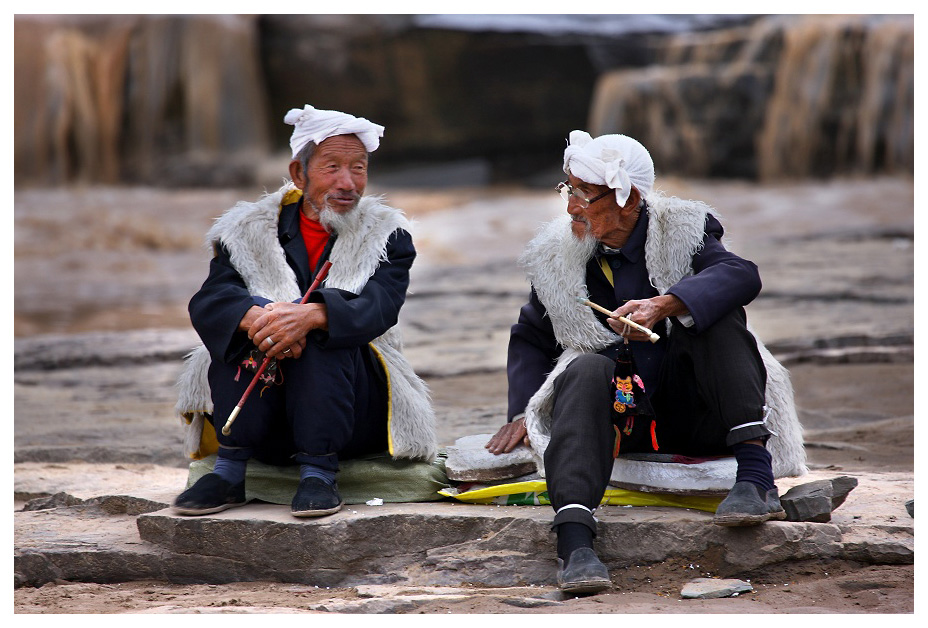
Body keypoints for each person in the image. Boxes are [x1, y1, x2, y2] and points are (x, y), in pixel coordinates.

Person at [487, 130, 805, 594]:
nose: (571, 206)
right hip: (623, 422)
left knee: (714, 317)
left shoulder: (684, 229)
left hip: (698, 413)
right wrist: (520, 410)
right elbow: (531, 336)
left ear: (628, 197)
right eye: (567, 189)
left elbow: (740, 274)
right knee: (585, 367)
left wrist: (668, 303)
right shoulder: (558, 255)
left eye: (583, 194)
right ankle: (575, 545)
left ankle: (755, 481)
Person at [172, 104, 437, 518]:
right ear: (299, 174)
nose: (348, 182)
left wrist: (314, 316)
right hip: (267, 413)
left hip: (354, 412)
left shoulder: (388, 235)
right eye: (332, 167)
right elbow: (212, 297)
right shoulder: (245, 230)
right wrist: (259, 317)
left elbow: (381, 306)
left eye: (358, 168)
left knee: (319, 334)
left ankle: (318, 473)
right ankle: (228, 471)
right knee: (247, 330)